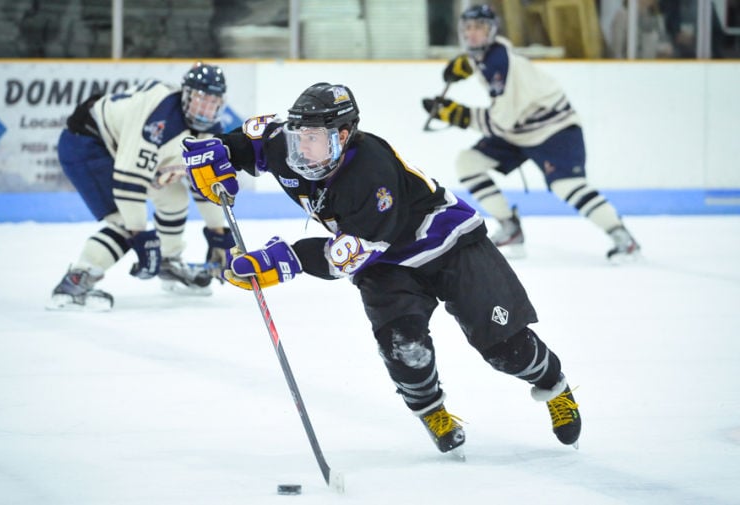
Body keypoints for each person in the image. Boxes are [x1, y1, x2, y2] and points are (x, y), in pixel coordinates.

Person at [181, 82, 582, 454]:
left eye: (314, 140)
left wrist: (287, 259)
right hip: (388, 265)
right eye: (299, 137)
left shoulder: (372, 175)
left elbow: (353, 251)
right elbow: (250, 141)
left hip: (447, 244)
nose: (303, 150)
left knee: (507, 351)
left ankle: (554, 386)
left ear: (342, 136)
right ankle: (431, 411)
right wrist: (217, 152)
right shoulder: (288, 141)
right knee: (405, 348)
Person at [422, 4, 641, 261]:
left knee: (566, 186)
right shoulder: (487, 55)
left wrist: (460, 115)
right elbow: (507, 119)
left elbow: (502, 122)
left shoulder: (500, 64)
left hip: (553, 130)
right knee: (468, 163)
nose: (472, 34)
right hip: (520, 130)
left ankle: (623, 238)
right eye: (468, 28)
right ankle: (510, 228)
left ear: (491, 31)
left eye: (479, 28)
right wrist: (468, 64)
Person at [48, 62, 236, 311]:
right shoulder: (158, 115)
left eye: (213, 102)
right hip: (88, 143)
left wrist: (218, 233)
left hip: (118, 147)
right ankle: (76, 280)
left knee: (174, 197)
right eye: (201, 98)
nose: (206, 108)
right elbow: (129, 184)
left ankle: (168, 262)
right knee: (124, 222)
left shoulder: (210, 130)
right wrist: (140, 237)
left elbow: (204, 183)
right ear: (186, 95)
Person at [610, 0, 674, 58]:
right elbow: (617, 52)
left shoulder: (656, 18)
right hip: (629, 67)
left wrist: (663, 49)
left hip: (653, 68)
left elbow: (665, 44)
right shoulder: (622, 16)